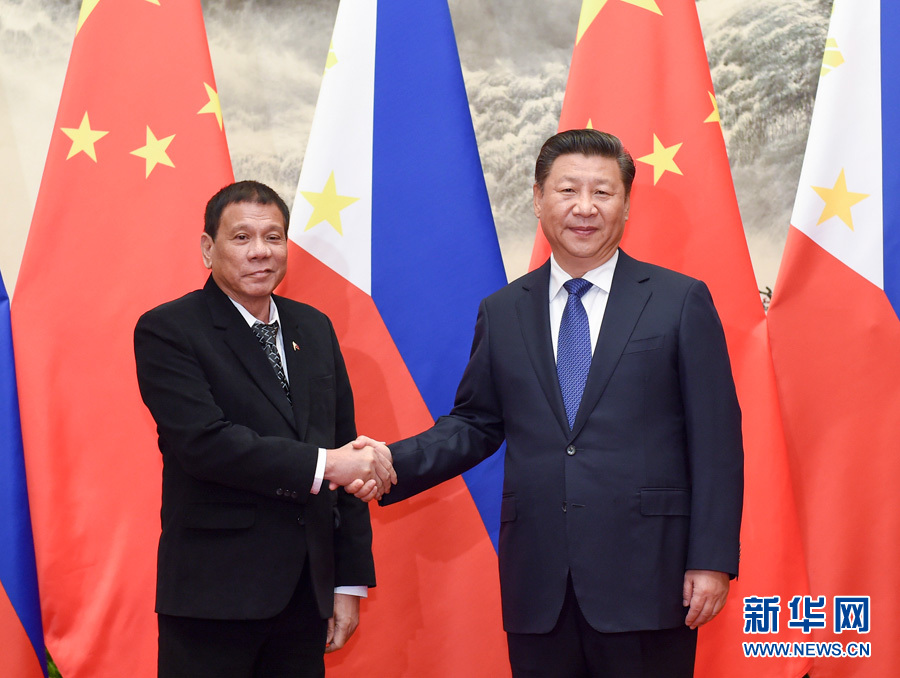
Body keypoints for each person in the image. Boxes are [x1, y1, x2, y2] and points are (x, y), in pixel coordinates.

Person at [373, 129, 743, 677]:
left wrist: (711, 561)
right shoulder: (503, 310)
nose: (584, 208)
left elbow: (716, 440)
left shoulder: (679, 300)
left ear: (626, 204)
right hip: (539, 584)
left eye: (603, 192)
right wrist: (388, 462)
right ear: (538, 198)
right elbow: (475, 423)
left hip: (649, 577)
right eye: (568, 190)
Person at [134, 180, 393, 678]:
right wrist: (328, 464)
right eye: (242, 237)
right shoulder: (169, 329)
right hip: (214, 599)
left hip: (306, 596)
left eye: (273, 237)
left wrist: (348, 582)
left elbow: (345, 444)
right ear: (208, 248)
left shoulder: (313, 328)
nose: (260, 251)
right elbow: (205, 444)